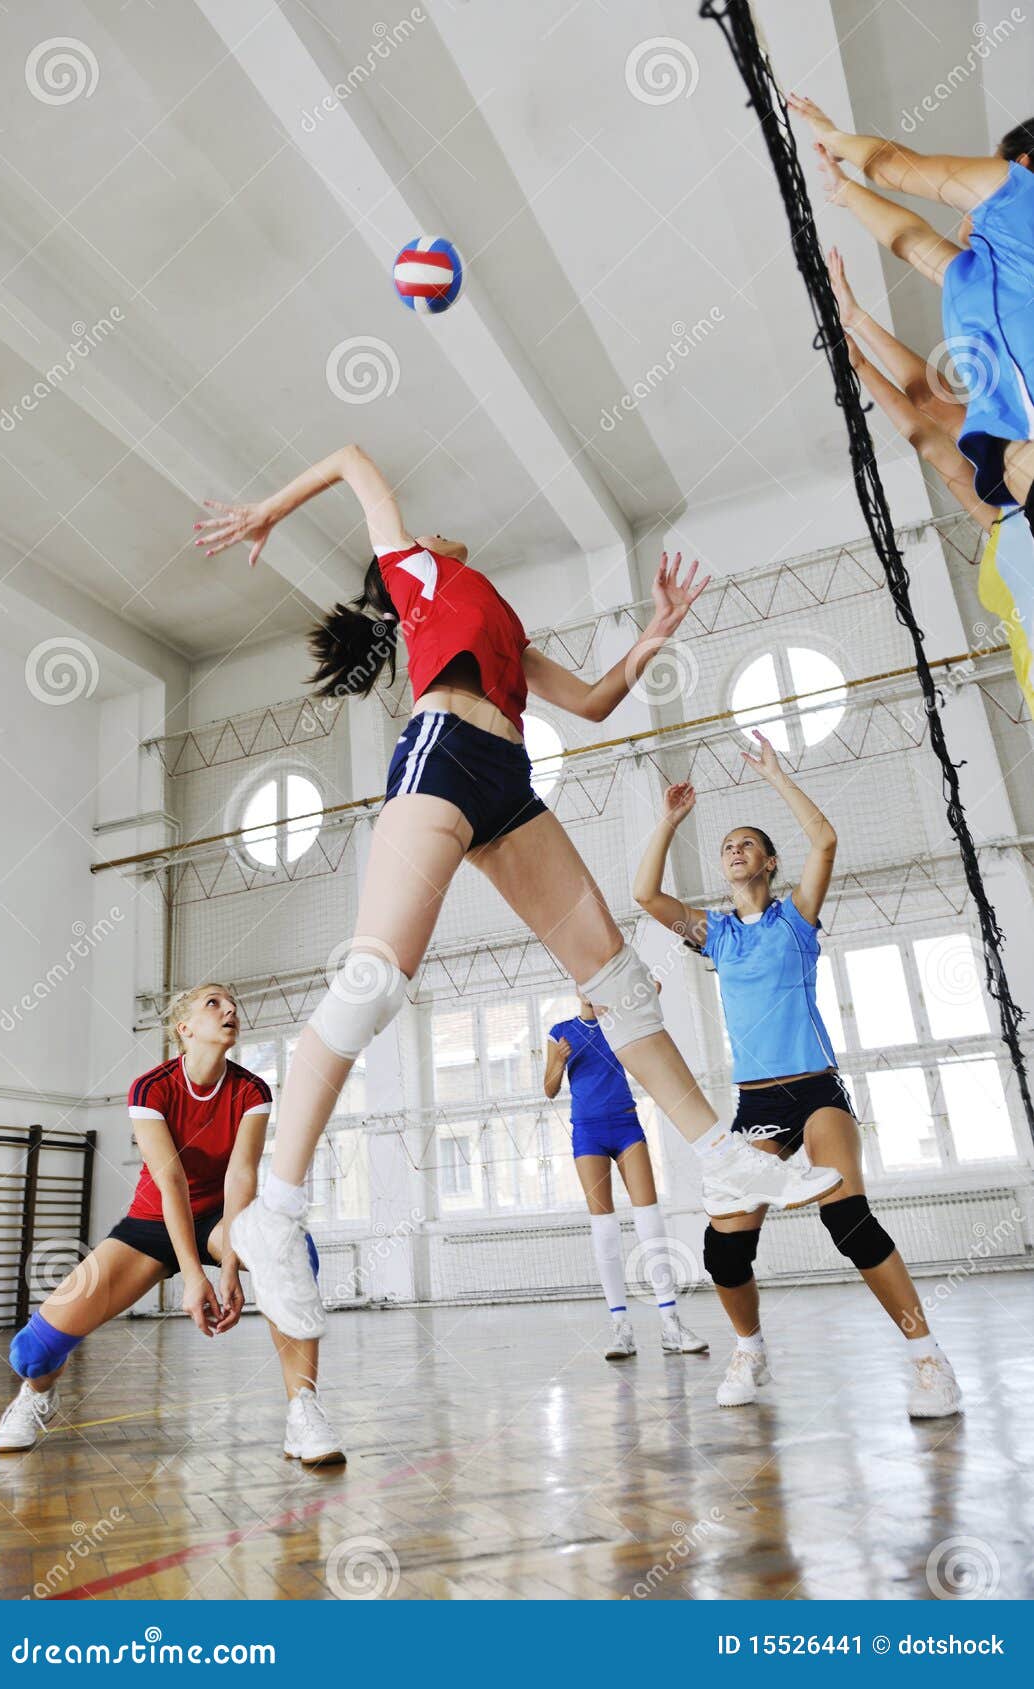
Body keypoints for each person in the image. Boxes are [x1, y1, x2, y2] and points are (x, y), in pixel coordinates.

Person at [192, 443, 843, 1338]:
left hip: (507, 778)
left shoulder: (499, 617)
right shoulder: (414, 570)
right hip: (440, 757)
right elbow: (351, 458)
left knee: (614, 978)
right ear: (407, 559)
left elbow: (594, 701)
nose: (439, 529)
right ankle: (276, 1211)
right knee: (376, 979)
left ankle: (719, 1158)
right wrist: (269, 508)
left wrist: (652, 635)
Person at [633, 740, 962, 1418]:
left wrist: (776, 775)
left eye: (747, 842)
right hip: (757, 1104)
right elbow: (644, 895)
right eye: (726, 844)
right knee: (723, 1247)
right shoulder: (717, 935)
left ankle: (928, 1359)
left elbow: (825, 839)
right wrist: (668, 821)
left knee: (846, 1217)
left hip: (816, 1090)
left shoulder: (795, 920)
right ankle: (750, 1350)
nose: (734, 848)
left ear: (769, 862)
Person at [0, 986, 345, 1465]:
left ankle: (303, 1410)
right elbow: (170, 1179)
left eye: (232, 1005)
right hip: (152, 1221)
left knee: (291, 1250)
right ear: (185, 1028)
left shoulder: (252, 1091)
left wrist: (229, 1270)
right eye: (214, 1004)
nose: (229, 1011)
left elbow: (241, 1174)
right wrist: (194, 1277)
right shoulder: (150, 1087)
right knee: (32, 1352)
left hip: (222, 1219)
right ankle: (37, 1395)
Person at [791, 95, 1034, 532]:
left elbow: (891, 166)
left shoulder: (1016, 189)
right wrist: (847, 191)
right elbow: (908, 238)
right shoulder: (976, 276)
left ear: (1024, 161)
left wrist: (833, 136)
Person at [827, 245, 1033, 717]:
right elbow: (927, 421)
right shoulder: (1005, 520)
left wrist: (857, 342)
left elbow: (926, 426)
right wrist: (856, 353)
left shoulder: (1007, 517)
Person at [545, 990, 708, 1360]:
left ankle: (670, 1324)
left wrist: (646, 992)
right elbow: (549, 1088)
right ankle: (621, 1329)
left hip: (626, 1127)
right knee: (604, 1228)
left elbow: (648, 1014)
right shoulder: (562, 1031)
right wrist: (560, 1061)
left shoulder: (619, 1025)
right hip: (588, 1133)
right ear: (576, 990)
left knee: (650, 1221)